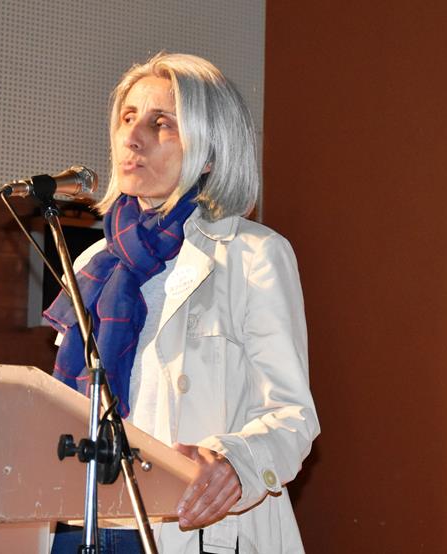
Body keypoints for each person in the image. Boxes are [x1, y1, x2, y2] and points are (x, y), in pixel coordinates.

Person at [45, 52, 319, 553]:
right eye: (128, 118)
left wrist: (235, 464)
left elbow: (292, 415)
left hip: (185, 528)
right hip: (78, 520)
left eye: (161, 123)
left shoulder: (252, 255)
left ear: (209, 153)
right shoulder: (92, 263)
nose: (132, 137)